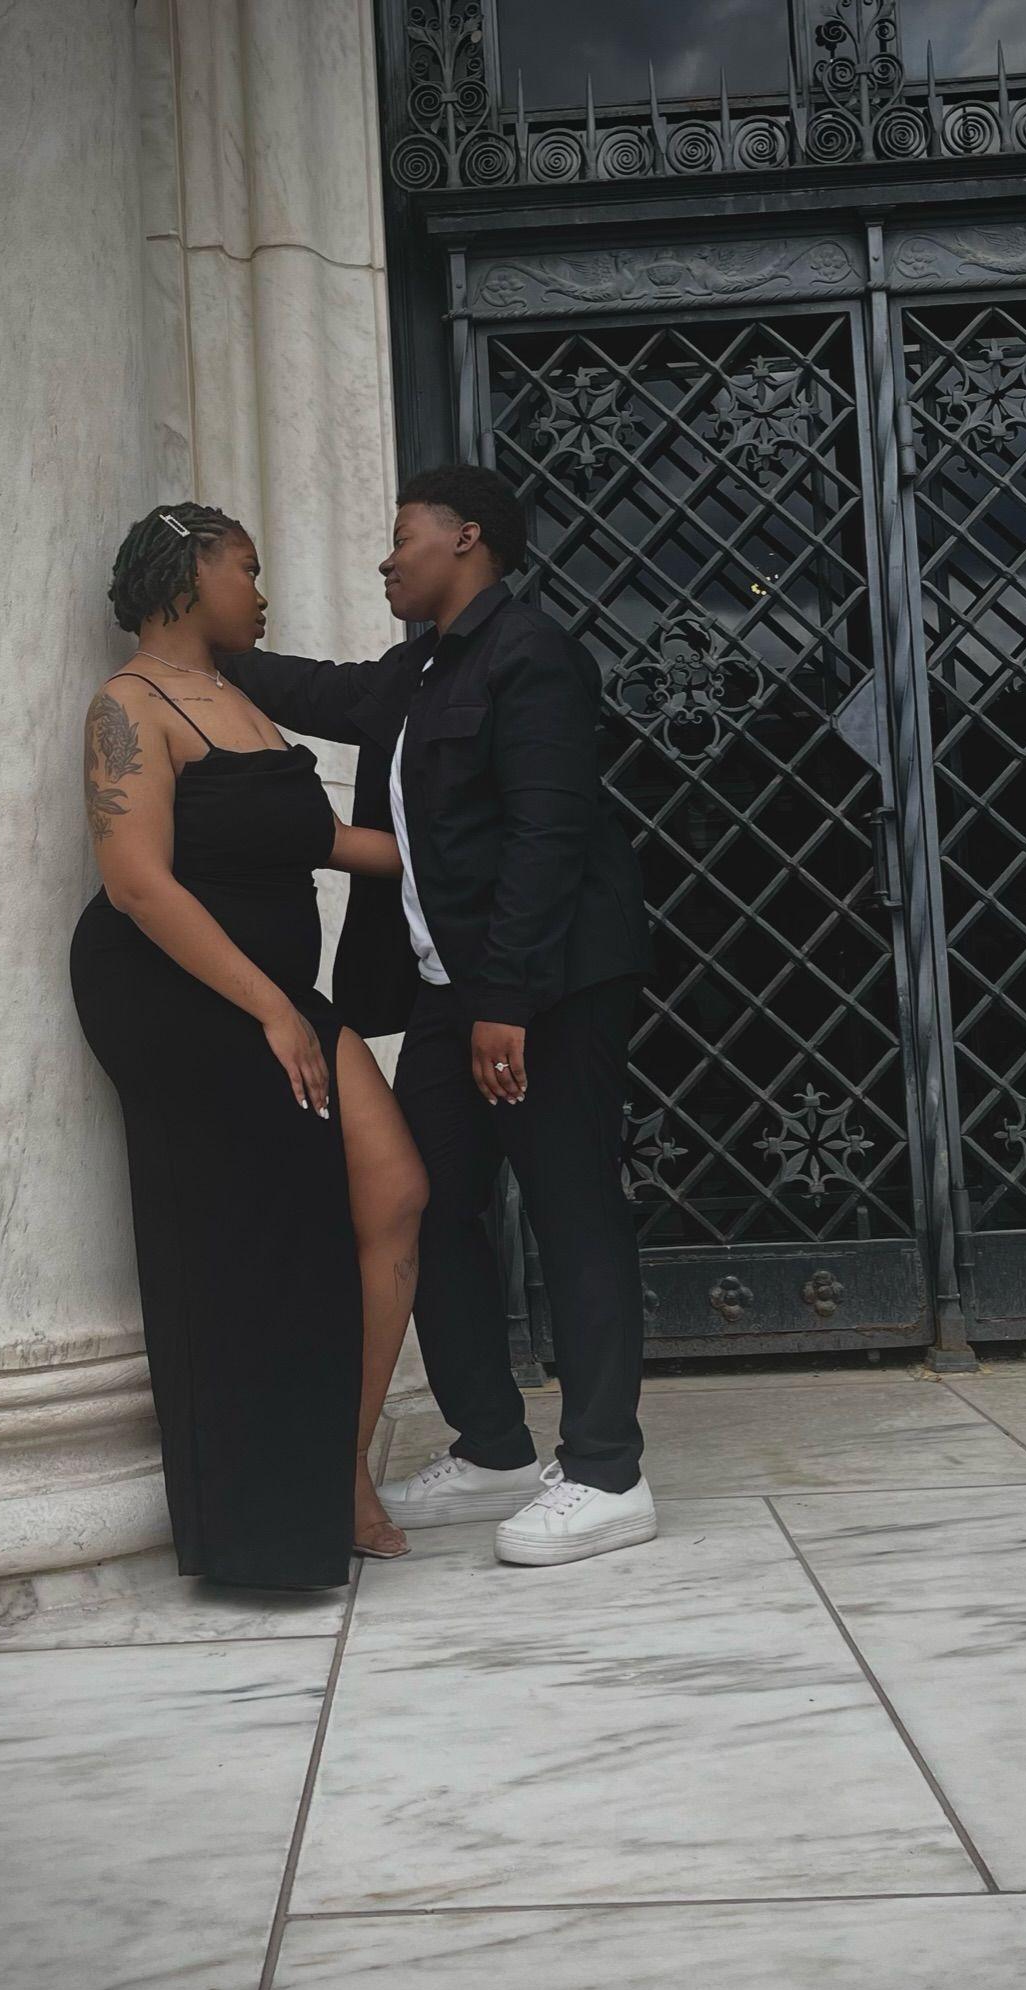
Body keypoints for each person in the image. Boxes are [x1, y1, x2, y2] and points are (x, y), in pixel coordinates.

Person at [219, 465, 657, 1568]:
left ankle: (608, 1473)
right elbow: (318, 692)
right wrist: (205, 645)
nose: (386, 557)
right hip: (455, 992)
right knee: (424, 1202)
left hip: (547, 988)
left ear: (467, 539)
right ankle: (496, 1444)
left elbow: (550, 834)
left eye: (403, 535)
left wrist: (507, 999)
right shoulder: (415, 671)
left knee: (571, 1210)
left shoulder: (532, 656)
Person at [68, 503, 428, 1586]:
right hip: (178, 994)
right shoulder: (129, 704)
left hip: (274, 995)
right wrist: (273, 1010)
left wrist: (470, 849)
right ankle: (272, 1519)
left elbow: (324, 839)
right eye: (248, 569)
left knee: (396, 1191)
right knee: (252, 1247)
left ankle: (339, 1464)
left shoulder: (238, 696)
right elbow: (136, 884)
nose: (261, 594)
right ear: (189, 574)